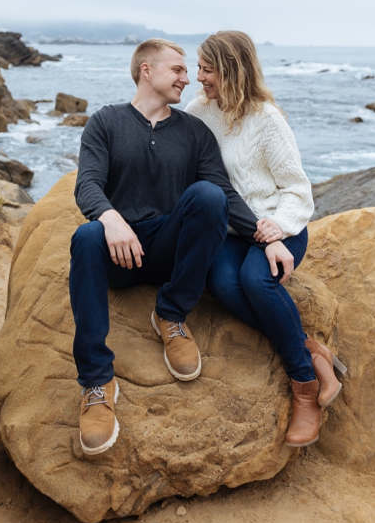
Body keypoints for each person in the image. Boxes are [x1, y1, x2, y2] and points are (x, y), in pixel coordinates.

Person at [70, 38, 265, 456]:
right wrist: (111, 218)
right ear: (147, 70)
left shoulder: (195, 132)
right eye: (177, 69)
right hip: (119, 255)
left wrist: (270, 237)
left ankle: (171, 315)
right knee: (85, 237)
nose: (188, 77)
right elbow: (87, 184)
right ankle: (97, 382)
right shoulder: (106, 122)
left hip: (166, 253)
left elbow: (224, 194)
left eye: (187, 69)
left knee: (208, 197)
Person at [186, 30, 342, 448]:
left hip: (281, 228)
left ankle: (305, 388)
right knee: (220, 283)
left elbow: (297, 188)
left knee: (257, 282)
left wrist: (276, 228)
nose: (198, 77)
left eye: (207, 69)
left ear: (232, 70)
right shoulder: (198, 113)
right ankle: (312, 349)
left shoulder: (268, 119)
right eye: (198, 68)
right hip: (234, 231)